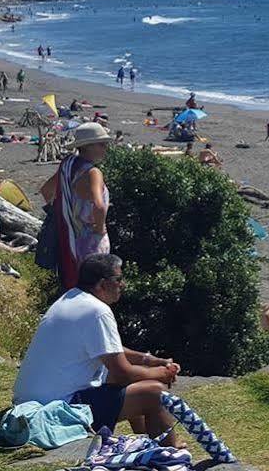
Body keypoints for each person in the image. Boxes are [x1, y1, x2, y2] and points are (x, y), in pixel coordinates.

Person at [12, 253, 182, 439]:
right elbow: (123, 372)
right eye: (118, 279)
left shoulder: (70, 299)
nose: (122, 284)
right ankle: (170, 454)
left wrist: (149, 361)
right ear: (102, 284)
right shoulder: (98, 311)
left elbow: (110, 349)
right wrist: (162, 374)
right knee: (155, 393)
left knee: (126, 378)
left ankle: (144, 437)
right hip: (56, 411)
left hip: (27, 404)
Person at [38, 123, 114, 291]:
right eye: (101, 144)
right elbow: (99, 206)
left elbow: (46, 191)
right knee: (95, 286)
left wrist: (66, 211)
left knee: (75, 284)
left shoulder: (68, 167)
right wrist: (100, 230)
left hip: (71, 235)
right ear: (87, 146)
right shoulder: (93, 172)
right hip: (90, 238)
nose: (105, 148)